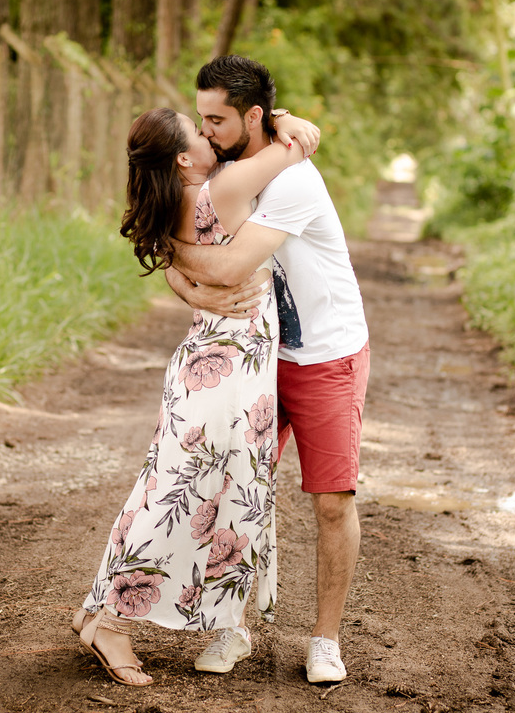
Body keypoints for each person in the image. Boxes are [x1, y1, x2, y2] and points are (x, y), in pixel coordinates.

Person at [72, 105, 320, 687]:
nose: (211, 134)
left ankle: (99, 606)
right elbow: (297, 145)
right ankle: (111, 622)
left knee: (165, 487)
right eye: (198, 131)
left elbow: (177, 245)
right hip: (230, 373)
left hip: (209, 361)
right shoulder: (227, 186)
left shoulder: (179, 202)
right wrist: (285, 120)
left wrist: (179, 273)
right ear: (184, 158)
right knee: (183, 497)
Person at [165, 55, 370, 685]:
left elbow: (225, 267)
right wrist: (181, 278)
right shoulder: (226, 165)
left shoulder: (293, 179)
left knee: (331, 501)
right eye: (202, 119)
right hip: (254, 356)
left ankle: (325, 640)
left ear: (254, 116)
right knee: (232, 485)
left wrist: (165, 250)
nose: (207, 133)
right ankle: (232, 626)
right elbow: (196, 258)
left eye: (218, 120)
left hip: (324, 355)